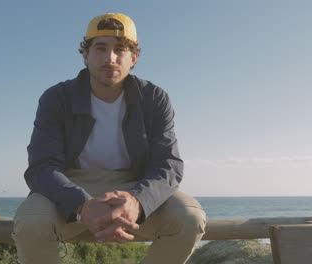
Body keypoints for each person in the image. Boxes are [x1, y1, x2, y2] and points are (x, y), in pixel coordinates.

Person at [12, 13, 206, 264]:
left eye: (120, 50)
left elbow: (168, 164)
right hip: (70, 183)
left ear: (133, 58)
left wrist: (137, 201)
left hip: (135, 184)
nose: (110, 58)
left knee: (189, 218)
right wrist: (82, 205)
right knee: (31, 223)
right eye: (100, 48)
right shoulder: (57, 97)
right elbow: (41, 166)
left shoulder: (155, 98)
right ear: (85, 55)